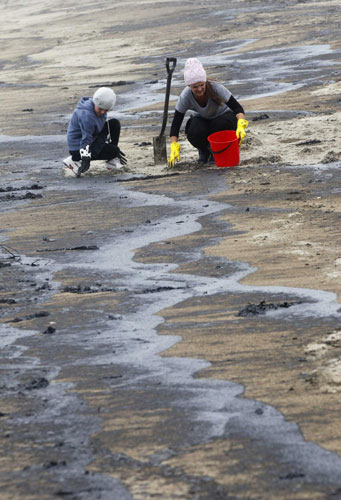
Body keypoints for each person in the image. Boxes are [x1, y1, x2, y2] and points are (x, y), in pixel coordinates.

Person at [168, 58, 248, 167]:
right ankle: (204, 150)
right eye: (195, 87)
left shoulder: (216, 87)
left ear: (205, 81)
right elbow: (176, 123)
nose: (199, 89)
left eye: (202, 85)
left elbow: (237, 108)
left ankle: (218, 152)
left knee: (219, 123)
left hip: (223, 119)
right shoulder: (185, 96)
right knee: (195, 129)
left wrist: (241, 123)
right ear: (189, 86)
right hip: (203, 121)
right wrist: (173, 145)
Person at [63, 87, 127, 177]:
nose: (102, 112)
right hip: (78, 146)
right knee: (114, 151)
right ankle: (75, 160)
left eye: (106, 110)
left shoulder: (97, 106)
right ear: (95, 102)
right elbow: (86, 138)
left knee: (114, 123)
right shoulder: (87, 116)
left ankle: (112, 160)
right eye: (100, 109)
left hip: (93, 138)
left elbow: (99, 126)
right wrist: (85, 157)